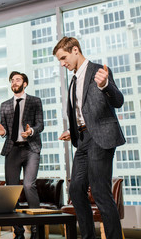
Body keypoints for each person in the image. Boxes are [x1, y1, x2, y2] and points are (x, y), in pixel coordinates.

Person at [53, 36, 125, 239]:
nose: (62, 63)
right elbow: (83, 111)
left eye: (63, 57)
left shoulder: (99, 71)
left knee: (101, 191)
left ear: (75, 50)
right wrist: (74, 129)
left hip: (101, 137)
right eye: (59, 60)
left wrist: (105, 85)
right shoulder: (74, 80)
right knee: (75, 189)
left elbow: (118, 101)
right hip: (83, 139)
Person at [0, 71, 44, 239]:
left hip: (31, 148)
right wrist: (2, 132)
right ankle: (19, 232)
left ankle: (36, 231)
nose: (14, 82)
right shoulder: (5, 105)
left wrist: (31, 131)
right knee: (12, 190)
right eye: (12, 80)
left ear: (25, 83)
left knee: (29, 185)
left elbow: (40, 124)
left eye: (18, 80)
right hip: (12, 149)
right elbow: (7, 131)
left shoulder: (35, 101)